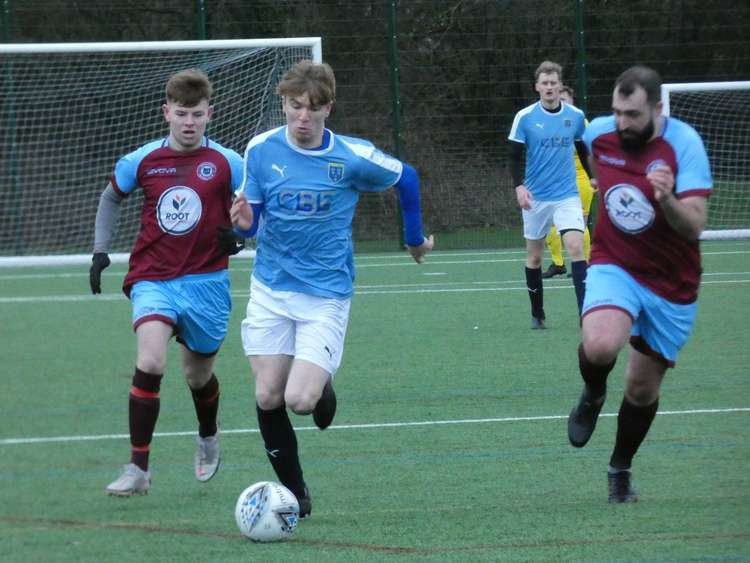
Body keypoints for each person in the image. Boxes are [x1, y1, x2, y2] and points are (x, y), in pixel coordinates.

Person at [230, 60, 434, 518]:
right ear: (283, 104)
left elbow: (407, 177)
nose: (303, 117)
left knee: (299, 400)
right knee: (267, 395)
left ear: (329, 109)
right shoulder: (261, 149)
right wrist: (244, 225)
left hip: (325, 294)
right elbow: (253, 221)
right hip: (271, 288)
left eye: (313, 109)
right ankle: (295, 495)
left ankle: (321, 388)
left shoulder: (351, 157)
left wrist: (415, 238)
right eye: (294, 106)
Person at [89, 68, 246, 496]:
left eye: (197, 114)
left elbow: (254, 210)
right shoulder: (141, 160)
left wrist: (243, 237)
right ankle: (138, 469)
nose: (189, 122)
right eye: (181, 113)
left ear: (209, 113)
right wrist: (101, 249)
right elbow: (110, 198)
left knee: (198, 376)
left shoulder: (228, 163)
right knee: (152, 360)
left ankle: (208, 434)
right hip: (153, 278)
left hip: (208, 283)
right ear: (166, 113)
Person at [566, 65, 712, 503]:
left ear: (657, 108)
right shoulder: (600, 134)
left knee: (642, 388)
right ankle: (593, 392)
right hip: (616, 264)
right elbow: (593, 158)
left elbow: (694, 228)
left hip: (672, 281)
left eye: (632, 114)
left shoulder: (684, 146)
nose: (622, 123)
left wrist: (664, 197)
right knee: (600, 345)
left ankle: (620, 469)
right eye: (616, 112)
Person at [507, 61, 591, 329]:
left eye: (553, 83)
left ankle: (585, 316)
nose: (549, 87)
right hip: (536, 198)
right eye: (544, 83)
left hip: (567, 194)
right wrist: (519, 186)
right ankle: (537, 314)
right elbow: (513, 157)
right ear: (537, 87)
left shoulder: (575, 116)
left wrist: (594, 176)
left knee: (576, 248)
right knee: (534, 257)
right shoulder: (525, 117)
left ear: (560, 85)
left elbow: (583, 150)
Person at [541, 85, 597, 279]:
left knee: (578, 223)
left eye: (565, 100)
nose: (561, 103)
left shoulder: (581, 123)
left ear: (572, 103)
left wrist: (594, 177)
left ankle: (585, 263)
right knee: (550, 223)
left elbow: (590, 153)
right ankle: (558, 264)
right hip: (557, 181)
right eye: (559, 99)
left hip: (580, 179)